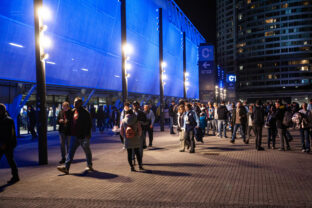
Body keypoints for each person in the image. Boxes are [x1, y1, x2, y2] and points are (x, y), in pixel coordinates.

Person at [57, 97, 93, 174]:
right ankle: (66, 168)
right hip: (74, 135)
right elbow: (67, 117)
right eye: (74, 102)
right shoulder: (73, 111)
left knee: (87, 151)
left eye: (76, 103)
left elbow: (89, 124)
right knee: (70, 151)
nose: (74, 104)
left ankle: (89, 165)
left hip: (83, 136)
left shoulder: (85, 113)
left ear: (80, 103)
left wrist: (87, 135)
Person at [0, 103, 19, 184]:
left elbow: (10, 134)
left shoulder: (8, 120)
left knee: (10, 160)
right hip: (2, 143)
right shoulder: (6, 119)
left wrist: (5, 143)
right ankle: (15, 176)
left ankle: (15, 176)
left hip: (7, 144)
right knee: (10, 160)